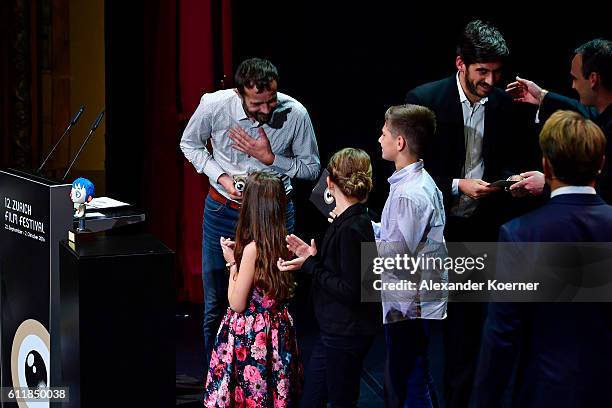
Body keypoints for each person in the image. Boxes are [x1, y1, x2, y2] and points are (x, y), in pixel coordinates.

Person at [180, 57, 320, 369]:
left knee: (276, 300)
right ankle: (219, 383)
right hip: (224, 211)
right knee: (217, 302)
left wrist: (271, 160)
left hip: (274, 215)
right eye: (258, 103)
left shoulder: (295, 113)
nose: (267, 109)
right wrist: (220, 176)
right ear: (239, 92)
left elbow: (311, 168)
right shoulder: (214, 106)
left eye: (271, 100)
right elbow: (190, 144)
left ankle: (270, 382)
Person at [404, 20, 517, 408]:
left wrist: (504, 183)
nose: (490, 79)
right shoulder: (425, 100)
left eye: (496, 72)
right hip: (434, 232)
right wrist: (456, 185)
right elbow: (406, 171)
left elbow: (506, 160)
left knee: (468, 333)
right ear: (460, 65)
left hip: (480, 230)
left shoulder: (503, 103)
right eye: (482, 72)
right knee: (420, 333)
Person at [472, 110, 612, 407]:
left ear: (545, 166)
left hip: (547, 393)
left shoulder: (521, 235)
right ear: (601, 163)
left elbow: (501, 336)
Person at [277, 148, 381, 408]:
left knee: (341, 401)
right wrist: (312, 257)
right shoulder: (349, 220)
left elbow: (352, 289)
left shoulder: (353, 228)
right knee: (313, 399)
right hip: (333, 332)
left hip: (345, 333)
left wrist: (311, 265)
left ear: (330, 182)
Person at [203, 171, 303, 408]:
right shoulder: (284, 241)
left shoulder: (252, 250)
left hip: (252, 337)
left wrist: (233, 263)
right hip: (276, 333)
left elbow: (237, 303)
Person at [372, 104, 447, 408]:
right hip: (418, 300)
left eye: (385, 133)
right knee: (418, 374)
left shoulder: (408, 193)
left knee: (410, 381)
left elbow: (397, 258)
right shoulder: (419, 183)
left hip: (407, 304)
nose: (380, 138)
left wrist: (355, 239)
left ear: (400, 142)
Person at [507, 39, 612, 203]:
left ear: (593, 79)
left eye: (575, 78)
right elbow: (588, 113)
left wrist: (549, 185)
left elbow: (604, 193)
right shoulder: (605, 114)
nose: (572, 86)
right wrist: (542, 95)